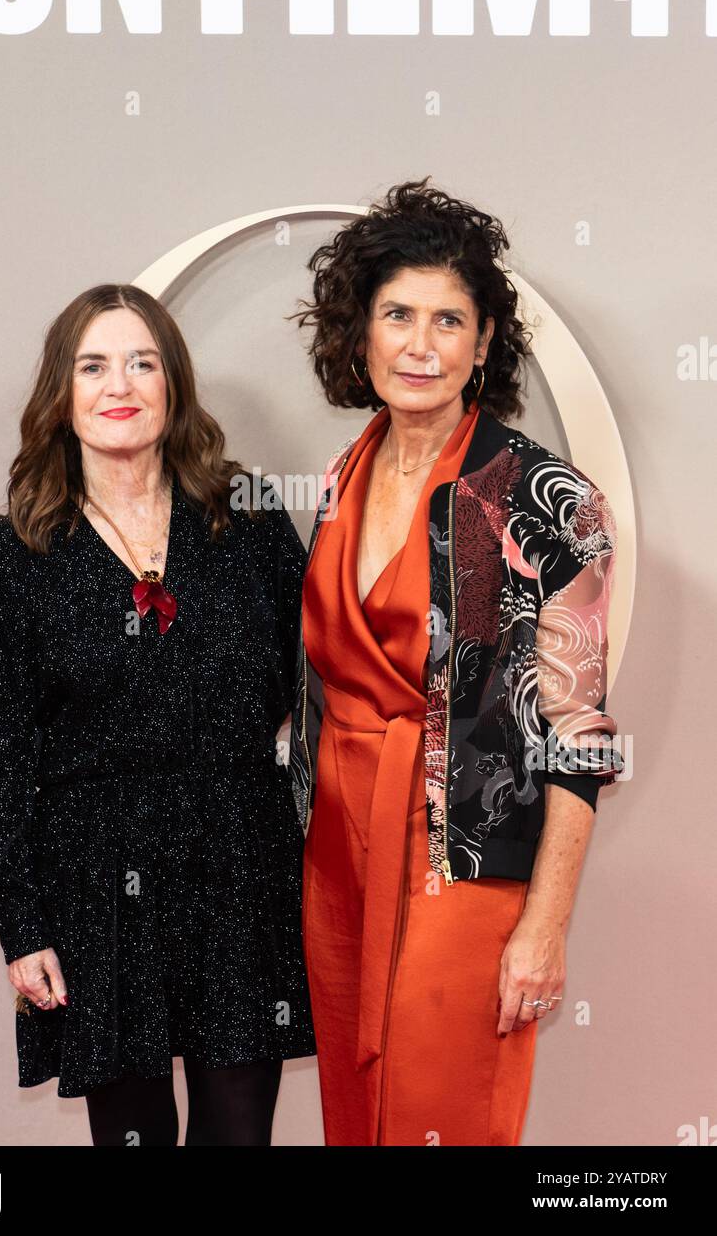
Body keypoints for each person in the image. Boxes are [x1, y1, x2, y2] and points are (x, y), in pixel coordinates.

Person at [287, 178, 626, 1146]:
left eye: (450, 319)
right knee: (355, 1116)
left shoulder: (542, 495)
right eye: (397, 314)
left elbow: (580, 733)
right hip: (336, 850)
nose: (421, 343)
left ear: (485, 345)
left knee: (446, 1114)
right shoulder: (346, 471)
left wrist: (545, 925)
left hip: (465, 856)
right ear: (362, 333)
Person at [0, 282, 315, 1145]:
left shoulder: (248, 519)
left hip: (237, 866)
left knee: (237, 1136)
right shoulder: (8, 560)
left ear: (173, 383)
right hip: (96, 887)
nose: (122, 384)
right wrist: (21, 925)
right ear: (61, 395)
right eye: (94, 365)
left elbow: (323, 684)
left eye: (143, 362)